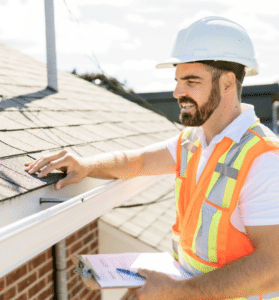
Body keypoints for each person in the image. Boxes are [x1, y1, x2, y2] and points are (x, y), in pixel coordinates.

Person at [25, 16, 279, 299]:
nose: (177, 92)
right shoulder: (194, 141)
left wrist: (178, 290)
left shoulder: (263, 159)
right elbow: (141, 161)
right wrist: (85, 165)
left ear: (228, 83)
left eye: (191, 81)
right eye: (178, 81)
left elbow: (274, 267)